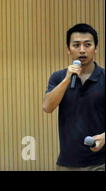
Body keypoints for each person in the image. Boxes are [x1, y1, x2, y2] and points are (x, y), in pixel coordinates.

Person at [43, 23, 105, 171]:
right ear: (68, 50)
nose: (82, 50)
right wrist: (67, 79)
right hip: (67, 162)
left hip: (101, 162)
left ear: (95, 48)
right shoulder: (58, 77)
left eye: (87, 45)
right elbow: (47, 107)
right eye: (76, 45)